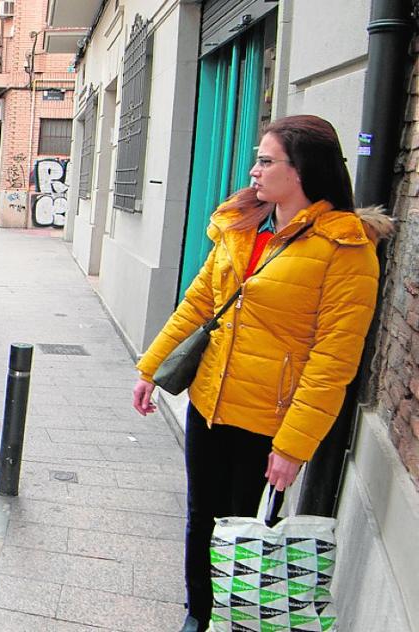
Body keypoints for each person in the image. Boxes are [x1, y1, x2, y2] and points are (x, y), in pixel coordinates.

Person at [130, 115, 392, 632]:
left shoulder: (345, 249)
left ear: (301, 171)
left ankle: (236, 616)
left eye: (266, 161)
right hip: (210, 399)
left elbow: (334, 357)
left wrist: (294, 445)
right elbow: (199, 303)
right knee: (201, 516)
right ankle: (198, 614)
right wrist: (153, 370)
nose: (253, 171)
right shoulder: (242, 224)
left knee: (245, 526)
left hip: (268, 417)